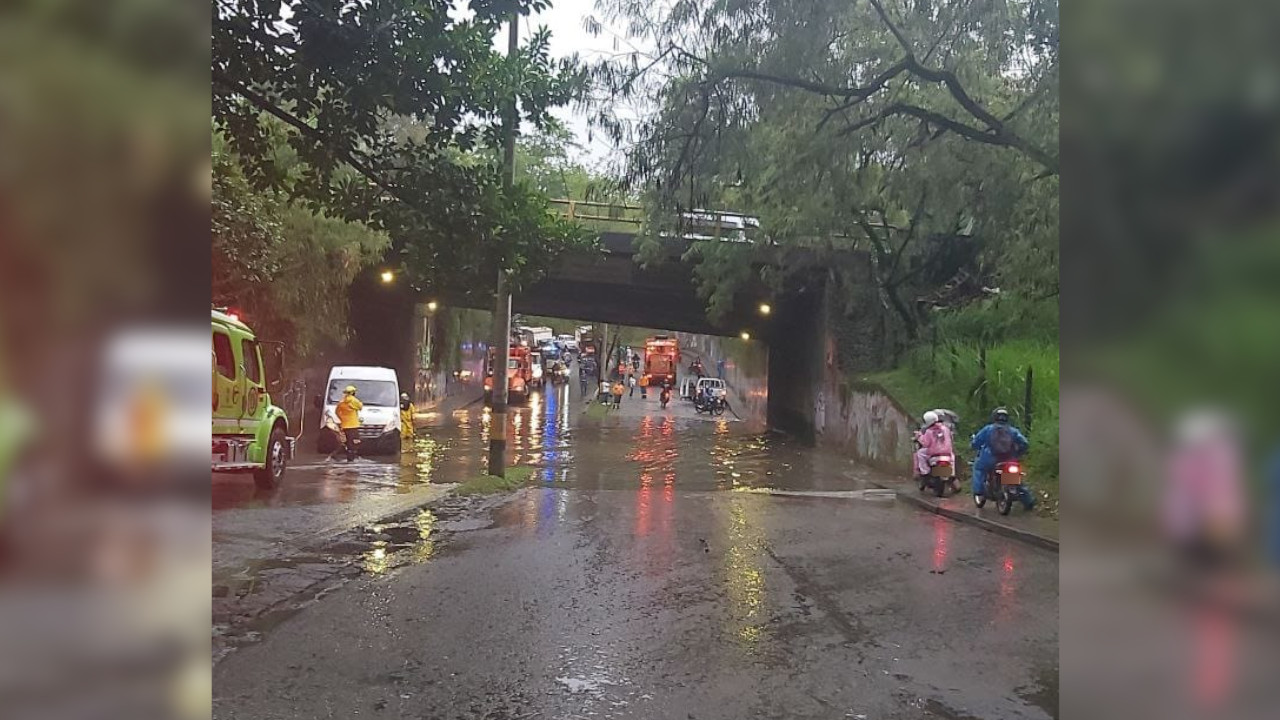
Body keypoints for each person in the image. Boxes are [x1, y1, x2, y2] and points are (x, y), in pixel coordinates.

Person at [970, 407, 1031, 507]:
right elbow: (1024, 443)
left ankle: (979, 491)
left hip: (990, 459)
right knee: (1016, 479)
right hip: (1009, 459)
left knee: (979, 469)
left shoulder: (988, 429)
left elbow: (976, 442)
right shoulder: (1013, 431)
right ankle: (1028, 501)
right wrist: (1018, 453)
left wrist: (973, 446)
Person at [913, 410, 954, 477]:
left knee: (920, 453)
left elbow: (925, 443)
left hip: (935, 452)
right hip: (947, 452)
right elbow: (950, 439)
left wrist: (919, 437)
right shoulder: (946, 429)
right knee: (952, 458)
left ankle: (925, 471)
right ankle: (952, 475)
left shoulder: (929, 431)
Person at [335, 385, 363, 461]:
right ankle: (352, 458)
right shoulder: (355, 401)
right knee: (355, 443)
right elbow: (360, 407)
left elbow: (337, 412)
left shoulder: (341, 402)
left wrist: (342, 419)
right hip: (353, 425)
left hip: (344, 425)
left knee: (347, 443)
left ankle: (348, 456)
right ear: (353, 393)